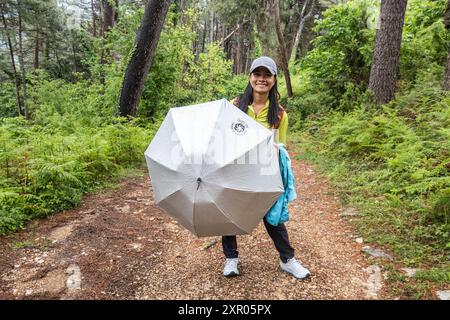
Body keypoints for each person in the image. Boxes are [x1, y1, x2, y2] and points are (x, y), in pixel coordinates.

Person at [222, 56, 311, 280]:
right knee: (229, 213)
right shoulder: (234, 105)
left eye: (267, 75)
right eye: (257, 74)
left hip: (264, 171)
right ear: (250, 77)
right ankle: (231, 258)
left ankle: (288, 260)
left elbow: (282, 147)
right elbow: (223, 137)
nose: (261, 79)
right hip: (237, 168)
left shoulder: (280, 114)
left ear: (273, 79)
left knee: (273, 217)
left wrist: (275, 147)